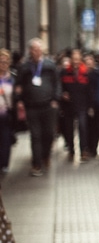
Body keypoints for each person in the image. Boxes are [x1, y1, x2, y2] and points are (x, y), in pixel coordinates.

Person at [15, 38, 61, 177]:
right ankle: (36, 164)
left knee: (48, 134)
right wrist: (19, 100)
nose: (36, 51)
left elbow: (57, 83)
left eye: (39, 49)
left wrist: (55, 99)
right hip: (31, 106)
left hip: (48, 105)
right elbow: (18, 86)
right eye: (34, 49)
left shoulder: (49, 65)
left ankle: (45, 155)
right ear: (30, 51)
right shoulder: (24, 67)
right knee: (35, 135)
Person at [59, 49, 93, 162]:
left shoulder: (86, 73)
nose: (76, 61)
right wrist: (63, 95)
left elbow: (90, 91)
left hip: (82, 105)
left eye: (78, 59)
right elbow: (60, 87)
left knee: (83, 128)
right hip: (69, 106)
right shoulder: (64, 72)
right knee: (69, 129)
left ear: (80, 60)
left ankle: (84, 150)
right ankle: (71, 151)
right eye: (74, 59)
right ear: (71, 60)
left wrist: (90, 106)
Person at [0, 49, 16, 174]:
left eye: (5, 62)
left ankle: (4, 163)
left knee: (6, 139)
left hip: (7, 113)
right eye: (1, 62)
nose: (3, 64)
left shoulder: (12, 78)